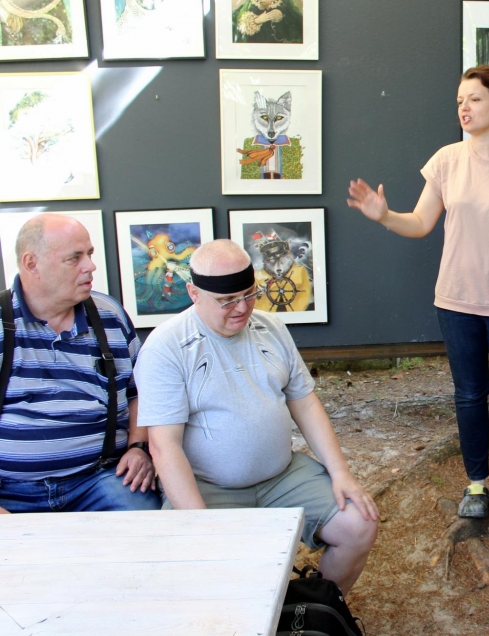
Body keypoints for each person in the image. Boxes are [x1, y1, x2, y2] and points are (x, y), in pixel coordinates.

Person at [346, 65, 489, 536]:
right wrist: (384, 215)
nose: (464, 108)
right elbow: (420, 223)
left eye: (474, 99)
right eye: (460, 100)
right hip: (455, 300)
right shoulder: (447, 160)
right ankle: (476, 486)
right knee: (469, 396)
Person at [135, 240, 377, 594]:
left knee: (359, 524)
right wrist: (200, 524)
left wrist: (341, 473)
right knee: (199, 565)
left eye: (250, 294)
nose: (242, 308)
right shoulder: (166, 347)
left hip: (282, 475)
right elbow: (164, 446)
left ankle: (313, 611)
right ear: (193, 293)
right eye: (227, 300)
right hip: (208, 484)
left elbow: (305, 403)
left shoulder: (271, 327)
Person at [0, 214, 157, 514]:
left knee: (147, 527)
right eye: (75, 258)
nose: (90, 266)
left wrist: (139, 447)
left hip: (98, 479)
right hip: (9, 490)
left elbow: (140, 393)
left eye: (90, 254)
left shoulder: (109, 315)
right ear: (32, 263)